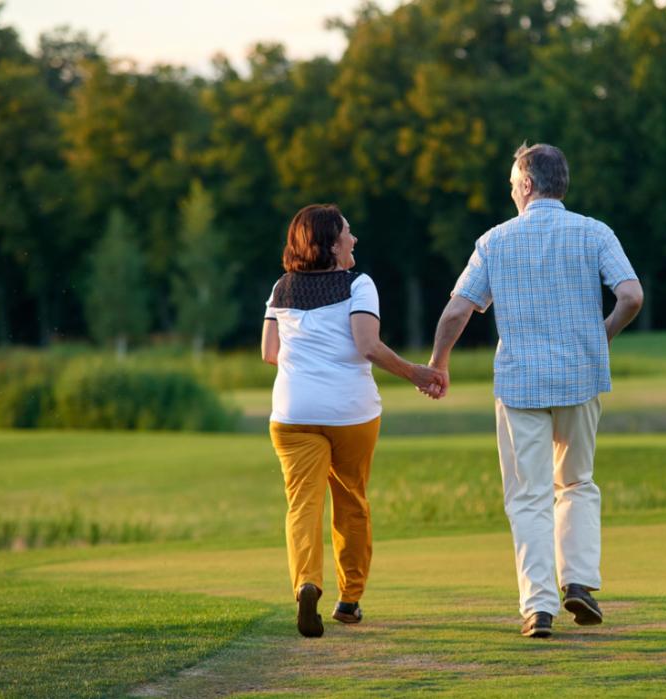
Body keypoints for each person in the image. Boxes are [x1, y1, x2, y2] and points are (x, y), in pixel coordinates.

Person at [429, 143, 643, 638]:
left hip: (520, 383)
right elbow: (631, 296)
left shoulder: (494, 241)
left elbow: (457, 310)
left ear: (526, 184)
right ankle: (580, 584)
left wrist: (438, 363)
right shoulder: (594, 232)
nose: (510, 192)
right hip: (581, 377)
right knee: (577, 482)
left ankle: (539, 608)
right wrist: (601, 335)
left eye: (511, 185)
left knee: (528, 497)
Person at [261, 204, 445, 638]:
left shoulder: (280, 288)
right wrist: (416, 372)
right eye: (347, 232)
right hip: (350, 412)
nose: (354, 238)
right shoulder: (358, 285)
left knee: (302, 505)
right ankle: (350, 600)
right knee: (351, 501)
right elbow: (368, 344)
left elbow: (269, 353)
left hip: (292, 414)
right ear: (330, 243)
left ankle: (307, 582)